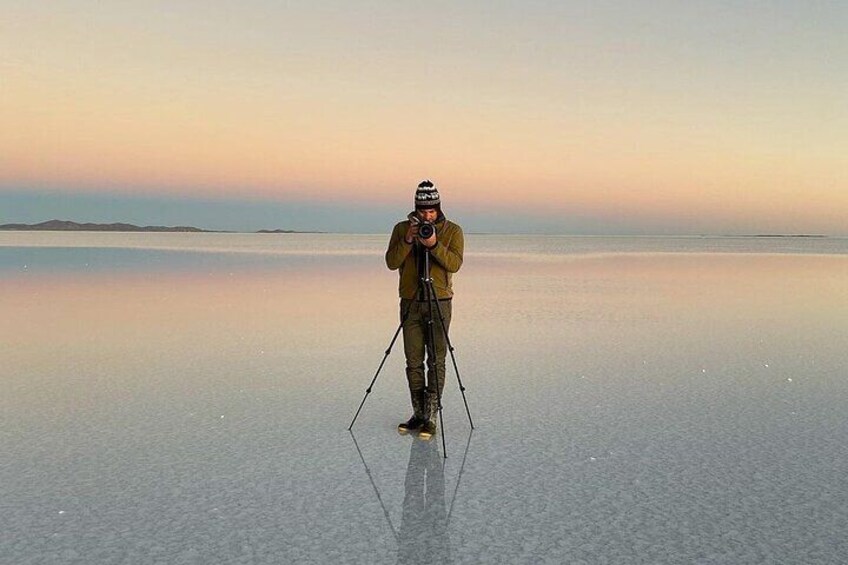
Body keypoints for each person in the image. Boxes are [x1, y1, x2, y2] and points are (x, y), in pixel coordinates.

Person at [385, 180, 464, 440]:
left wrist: (433, 245)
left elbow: (454, 264)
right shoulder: (401, 229)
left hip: (439, 302)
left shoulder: (453, 231)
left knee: (437, 359)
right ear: (416, 209)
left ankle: (431, 417)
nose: (427, 215)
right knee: (413, 361)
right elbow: (391, 262)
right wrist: (409, 238)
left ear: (438, 208)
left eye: (431, 211)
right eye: (422, 210)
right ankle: (418, 413)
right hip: (410, 301)